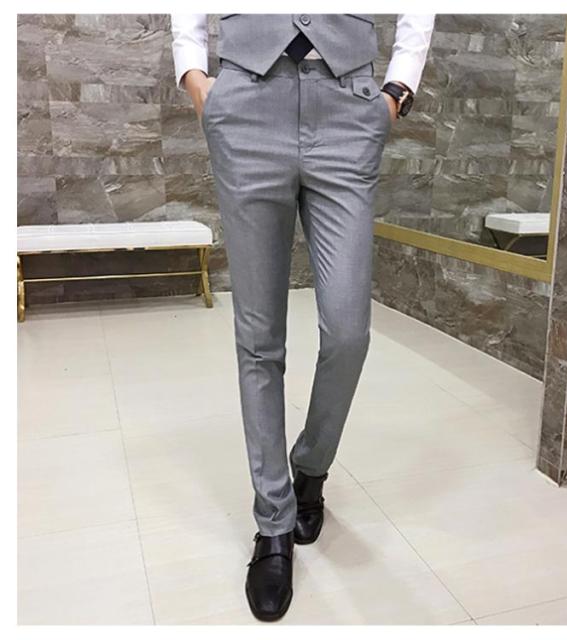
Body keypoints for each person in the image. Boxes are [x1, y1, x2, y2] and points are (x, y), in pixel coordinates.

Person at [171, 13, 434, 621]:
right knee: (259, 338)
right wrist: (194, 76)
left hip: (349, 107)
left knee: (349, 331)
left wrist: (399, 86)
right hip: (246, 103)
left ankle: (310, 466)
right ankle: (273, 524)